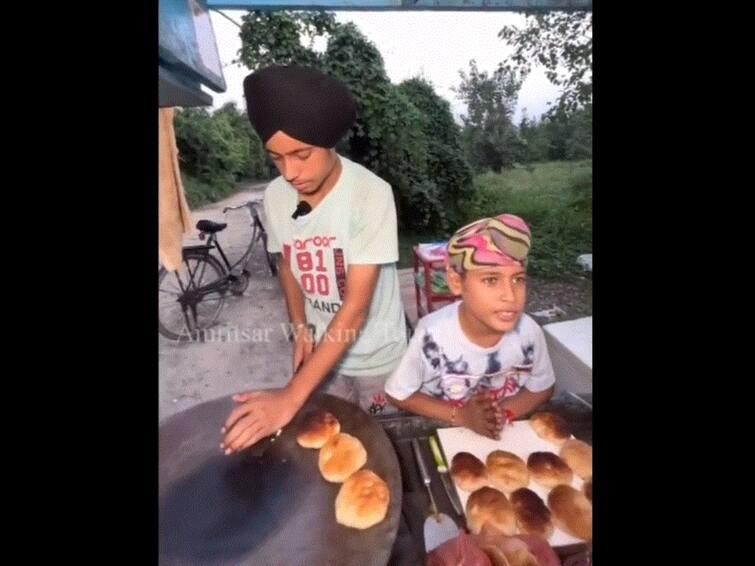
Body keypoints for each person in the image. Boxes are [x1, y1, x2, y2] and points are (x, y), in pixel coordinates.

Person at [221, 65, 407, 455]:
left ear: (329, 143)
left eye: (302, 155)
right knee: (329, 447)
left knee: (381, 450)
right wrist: (300, 326)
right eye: (277, 159)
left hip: (378, 358)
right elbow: (288, 263)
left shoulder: (369, 195)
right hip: (322, 356)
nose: (291, 173)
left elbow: (356, 308)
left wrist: (290, 396)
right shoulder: (275, 196)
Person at [384, 214, 555, 439]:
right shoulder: (432, 336)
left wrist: (499, 416)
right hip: (444, 435)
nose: (509, 295)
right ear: (456, 281)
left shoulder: (529, 333)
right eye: (491, 280)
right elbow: (398, 394)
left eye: (518, 279)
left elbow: (543, 387)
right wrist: (463, 416)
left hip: (504, 438)